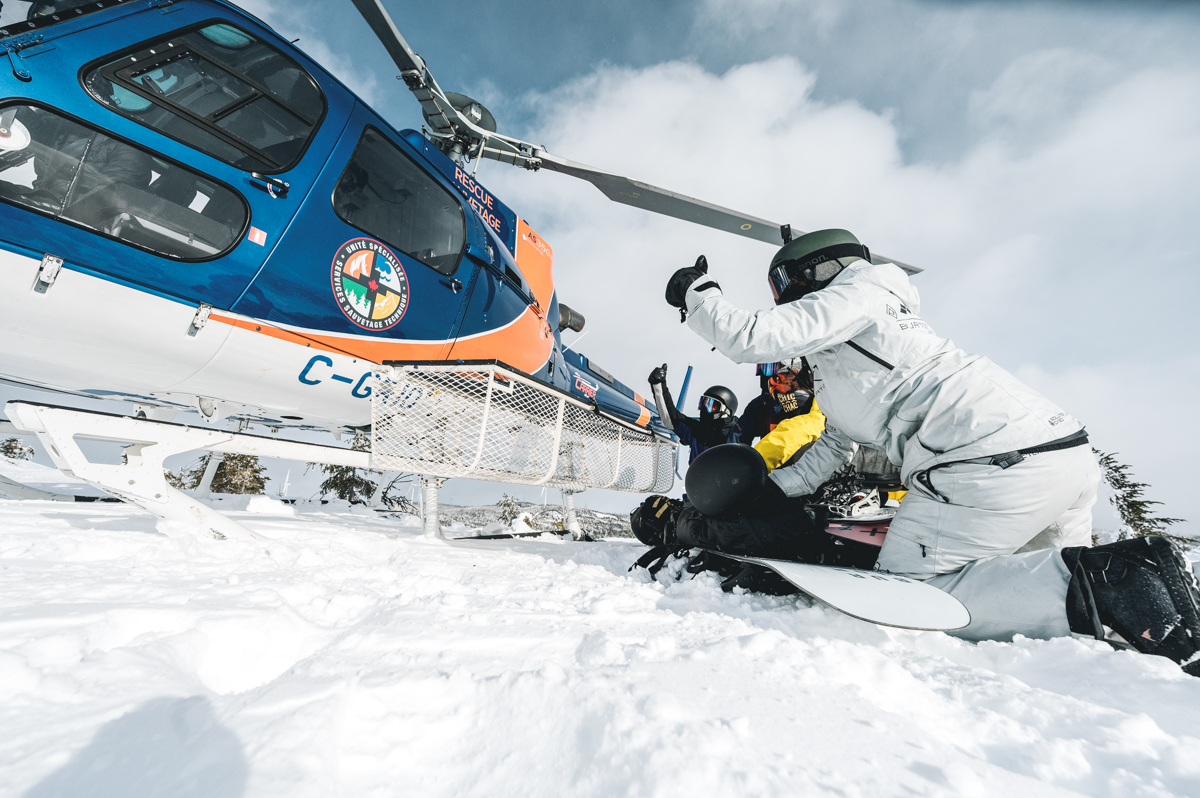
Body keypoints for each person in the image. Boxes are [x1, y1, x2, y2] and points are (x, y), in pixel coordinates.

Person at [660, 231, 1200, 675]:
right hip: (1056, 454)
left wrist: (697, 292)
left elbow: (751, 337)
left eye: (784, 288)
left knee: (907, 598)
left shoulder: (859, 293)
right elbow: (831, 449)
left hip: (986, 462)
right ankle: (1146, 618)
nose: (785, 304)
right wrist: (765, 494)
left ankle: (1118, 586)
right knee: (1041, 577)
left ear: (813, 273)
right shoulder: (856, 348)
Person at [646, 365, 739, 465]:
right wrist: (658, 384)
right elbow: (671, 418)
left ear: (726, 411)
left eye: (712, 405)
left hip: (727, 479)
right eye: (703, 403)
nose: (705, 409)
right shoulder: (698, 430)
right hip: (697, 479)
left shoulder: (736, 434)